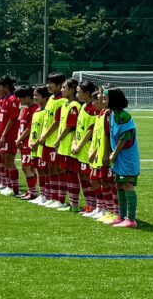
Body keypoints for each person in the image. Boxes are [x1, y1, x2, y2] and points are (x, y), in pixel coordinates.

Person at [30, 72, 67, 208]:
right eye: (48, 83)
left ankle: (60, 200)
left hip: (55, 141)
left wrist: (44, 136)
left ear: (59, 85)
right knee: (49, 169)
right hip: (46, 141)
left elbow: (57, 122)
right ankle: (50, 196)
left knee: (58, 170)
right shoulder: (51, 98)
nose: (48, 85)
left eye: (51, 83)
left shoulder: (62, 101)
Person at [106, 87, 141, 228]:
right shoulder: (112, 114)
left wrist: (114, 153)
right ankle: (121, 216)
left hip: (126, 157)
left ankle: (131, 220)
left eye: (106, 98)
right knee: (119, 185)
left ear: (113, 100)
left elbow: (125, 137)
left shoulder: (124, 116)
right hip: (119, 157)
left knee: (127, 185)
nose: (103, 100)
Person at [87, 87, 117, 223]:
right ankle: (104, 209)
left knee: (109, 183)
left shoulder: (108, 114)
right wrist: (93, 151)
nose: (95, 102)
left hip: (106, 156)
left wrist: (106, 154)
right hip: (98, 155)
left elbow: (107, 136)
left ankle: (114, 212)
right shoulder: (99, 115)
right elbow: (98, 136)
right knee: (100, 181)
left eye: (98, 99)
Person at [70, 81, 99, 217]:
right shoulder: (83, 107)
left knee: (90, 179)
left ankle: (95, 207)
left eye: (79, 92)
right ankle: (89, 205)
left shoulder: (93, 109)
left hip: (88, 149)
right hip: (79, 149)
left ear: (87, 93)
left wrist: (80, 145)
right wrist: (74, 143)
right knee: (83, 178)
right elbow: (78, 128)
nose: (77, 94)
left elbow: (91, 131)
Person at [53, 78, 81, 211]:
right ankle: (66, 202)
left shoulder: (74, 106)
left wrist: (58, 140)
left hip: (69, 145)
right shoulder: (65, 104)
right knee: (65, 173)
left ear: (71, 90)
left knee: (71, 174)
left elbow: (70, 126)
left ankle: (74, 205)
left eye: (64, 87)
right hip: (64, 146)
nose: (62, 90)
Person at [17, 86, 46, 201]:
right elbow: (22, 126)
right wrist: (19, 139)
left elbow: (29, 128)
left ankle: (34, 193)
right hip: (24, 142)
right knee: (29, 168)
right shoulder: (25, 109)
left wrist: (20, 139)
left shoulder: (35, 109)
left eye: (20, 97)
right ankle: (32, 191)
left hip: (31, 143)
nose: (19, 100)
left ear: (27, 97)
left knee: (27, 167)